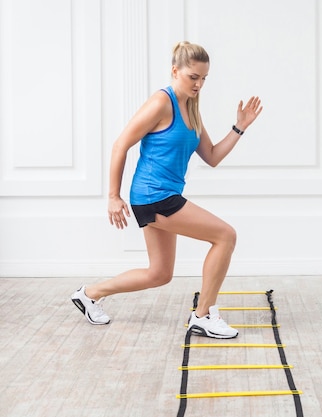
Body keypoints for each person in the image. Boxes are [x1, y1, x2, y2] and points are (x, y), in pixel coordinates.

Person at [71, 41, 263, 339]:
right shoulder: (162, 102)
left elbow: (211, 156)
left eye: (203, 78)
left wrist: (239, 128)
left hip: (164, 195)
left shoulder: (192, 109)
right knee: (226, 235)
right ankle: (203, 315)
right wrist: (112, 195)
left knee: (159, 274)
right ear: (176, 71)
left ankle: (89, 294)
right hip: (153, 195)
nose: (198, 84)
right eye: (193, 77)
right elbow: (121, 144)